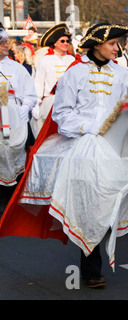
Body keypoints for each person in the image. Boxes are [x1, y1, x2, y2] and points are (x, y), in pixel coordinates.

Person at [0, 23, 128, 288]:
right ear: (98, 44)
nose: (117, 48)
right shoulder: (75, 73)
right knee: (87, 204)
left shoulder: (123, 74)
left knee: (116, 192)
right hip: (83, 145)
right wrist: (90, 129)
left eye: (117, 43)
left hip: (114, 147)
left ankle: (99, 246)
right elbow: (62, 113)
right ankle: (91, 267)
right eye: (113, 44)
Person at [0, 27, 37, 211]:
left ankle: (11, 200)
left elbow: (30, 94)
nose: (6, 45)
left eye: (6, 41)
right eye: (2, 42)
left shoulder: (17, 68)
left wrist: (25, 107)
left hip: (14, 117)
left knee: (13, 153)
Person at [31, 23, 75, 138]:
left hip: (69, 101)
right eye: (62, 41)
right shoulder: (45, 60)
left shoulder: (71, 59)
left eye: (67, 41)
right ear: (55, 43)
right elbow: (39, 82)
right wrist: (36, 103)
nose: (66, 43)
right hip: (50, 102)